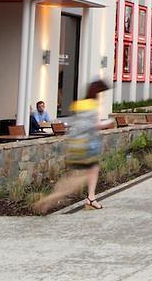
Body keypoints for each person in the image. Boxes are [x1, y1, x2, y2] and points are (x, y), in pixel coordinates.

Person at [34, 80, 113, 212]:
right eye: (102, 93)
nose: (103, 96)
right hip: (86, 146)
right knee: (80, 178)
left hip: (76, 144)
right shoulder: (92, 105)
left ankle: (91, 198)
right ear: (97, 92)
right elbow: (91, 125)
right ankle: (50, 199)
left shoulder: (79, 104)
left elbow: (75, 124)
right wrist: (107, 122)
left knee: (92, 170)